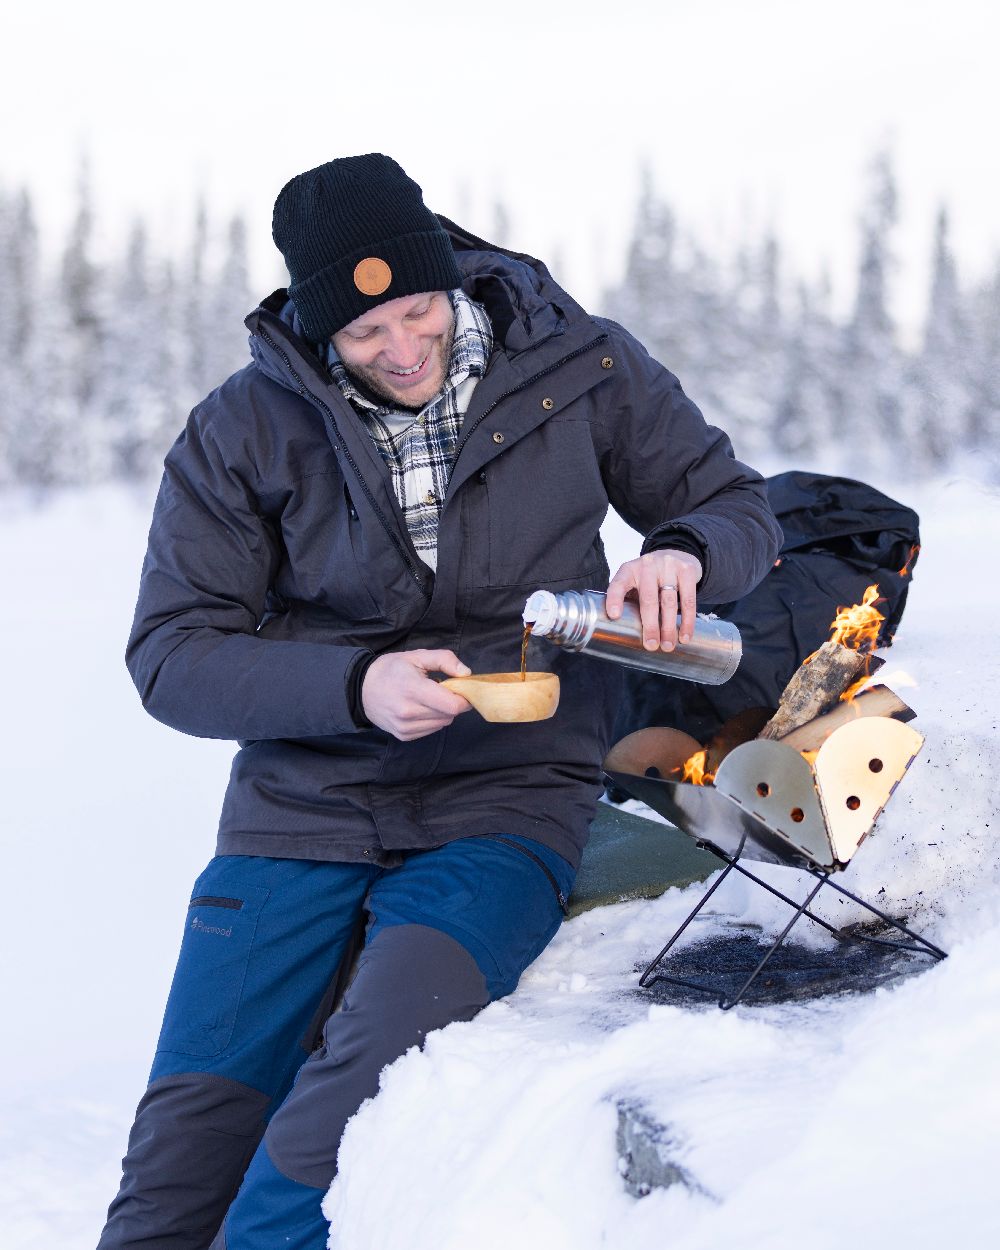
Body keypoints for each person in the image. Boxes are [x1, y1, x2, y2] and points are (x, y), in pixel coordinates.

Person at [98, 153, 781, 1250]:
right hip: (300, 807)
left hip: (506, 799)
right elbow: (171, 654)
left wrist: (686, 551)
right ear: (318, 327)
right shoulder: (241, 428)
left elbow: (734, 502)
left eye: (419, 310)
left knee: (330, 1126)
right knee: (181, 1154)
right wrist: (353, 685)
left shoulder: (582, 366)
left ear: (448, 276)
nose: (405, 347)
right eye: (367, 332)